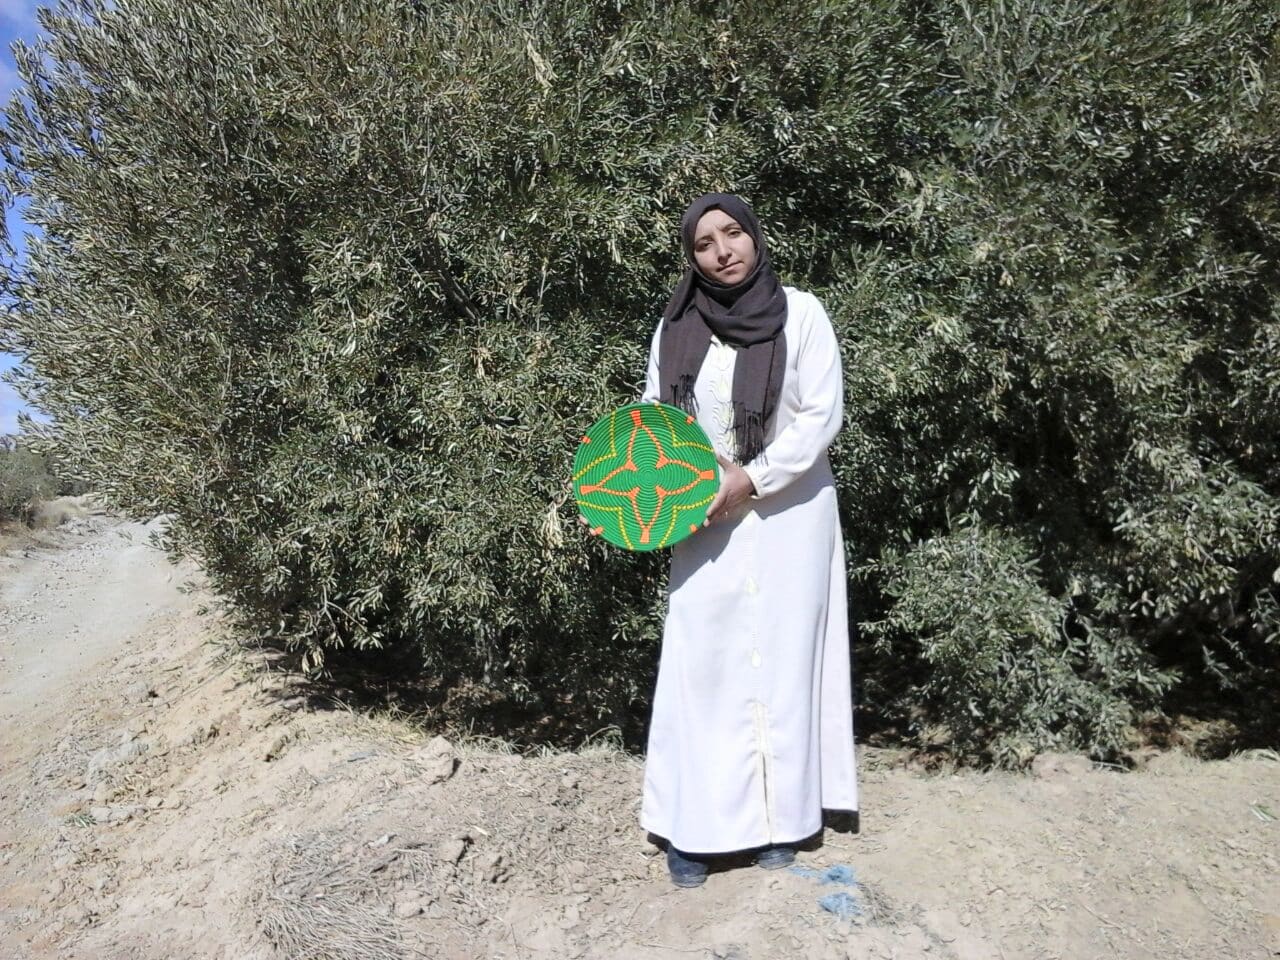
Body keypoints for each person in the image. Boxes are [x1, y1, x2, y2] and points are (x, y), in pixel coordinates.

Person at [639, 193, 857, 888]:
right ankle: (695, 831)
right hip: (705, 517)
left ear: (756, 237)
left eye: (733, 233)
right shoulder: (674, 325)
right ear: (691, 257)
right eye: (704, 243)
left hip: (792, 513)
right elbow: (653, 424)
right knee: (703, 664)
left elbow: (821, 414)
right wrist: (632, 504)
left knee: (787, 661)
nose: (723, 250)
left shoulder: (803, 312)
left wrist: (753, 480)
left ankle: (780, 824)